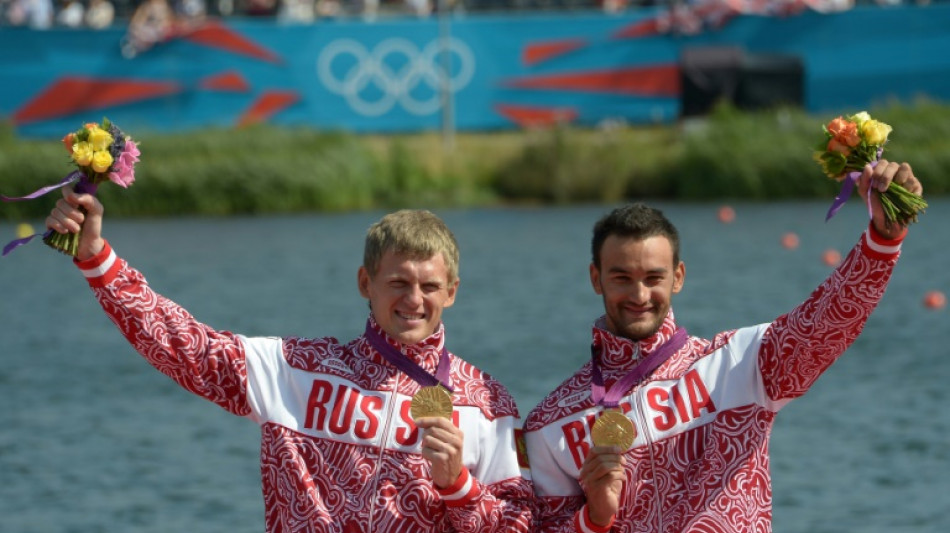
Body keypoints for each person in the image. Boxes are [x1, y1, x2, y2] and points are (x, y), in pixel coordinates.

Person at [45, 191, 534, 532]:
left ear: (451, 292)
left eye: (429, 286)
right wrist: (96, 258)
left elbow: (521, 524)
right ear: (365, 283)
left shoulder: (486, 405)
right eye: (397, 283)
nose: (413, 299)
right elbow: (185, 346)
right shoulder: (296, 369)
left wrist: (458, 485)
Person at [523, 160, 923, 533]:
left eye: (654, 277)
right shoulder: (549, 424)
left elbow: (828, 320)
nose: (639, 295)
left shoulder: (739, 363)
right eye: (621, 278)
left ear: (678, 277)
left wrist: (882, 242)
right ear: (596, 279)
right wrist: (593, 519)